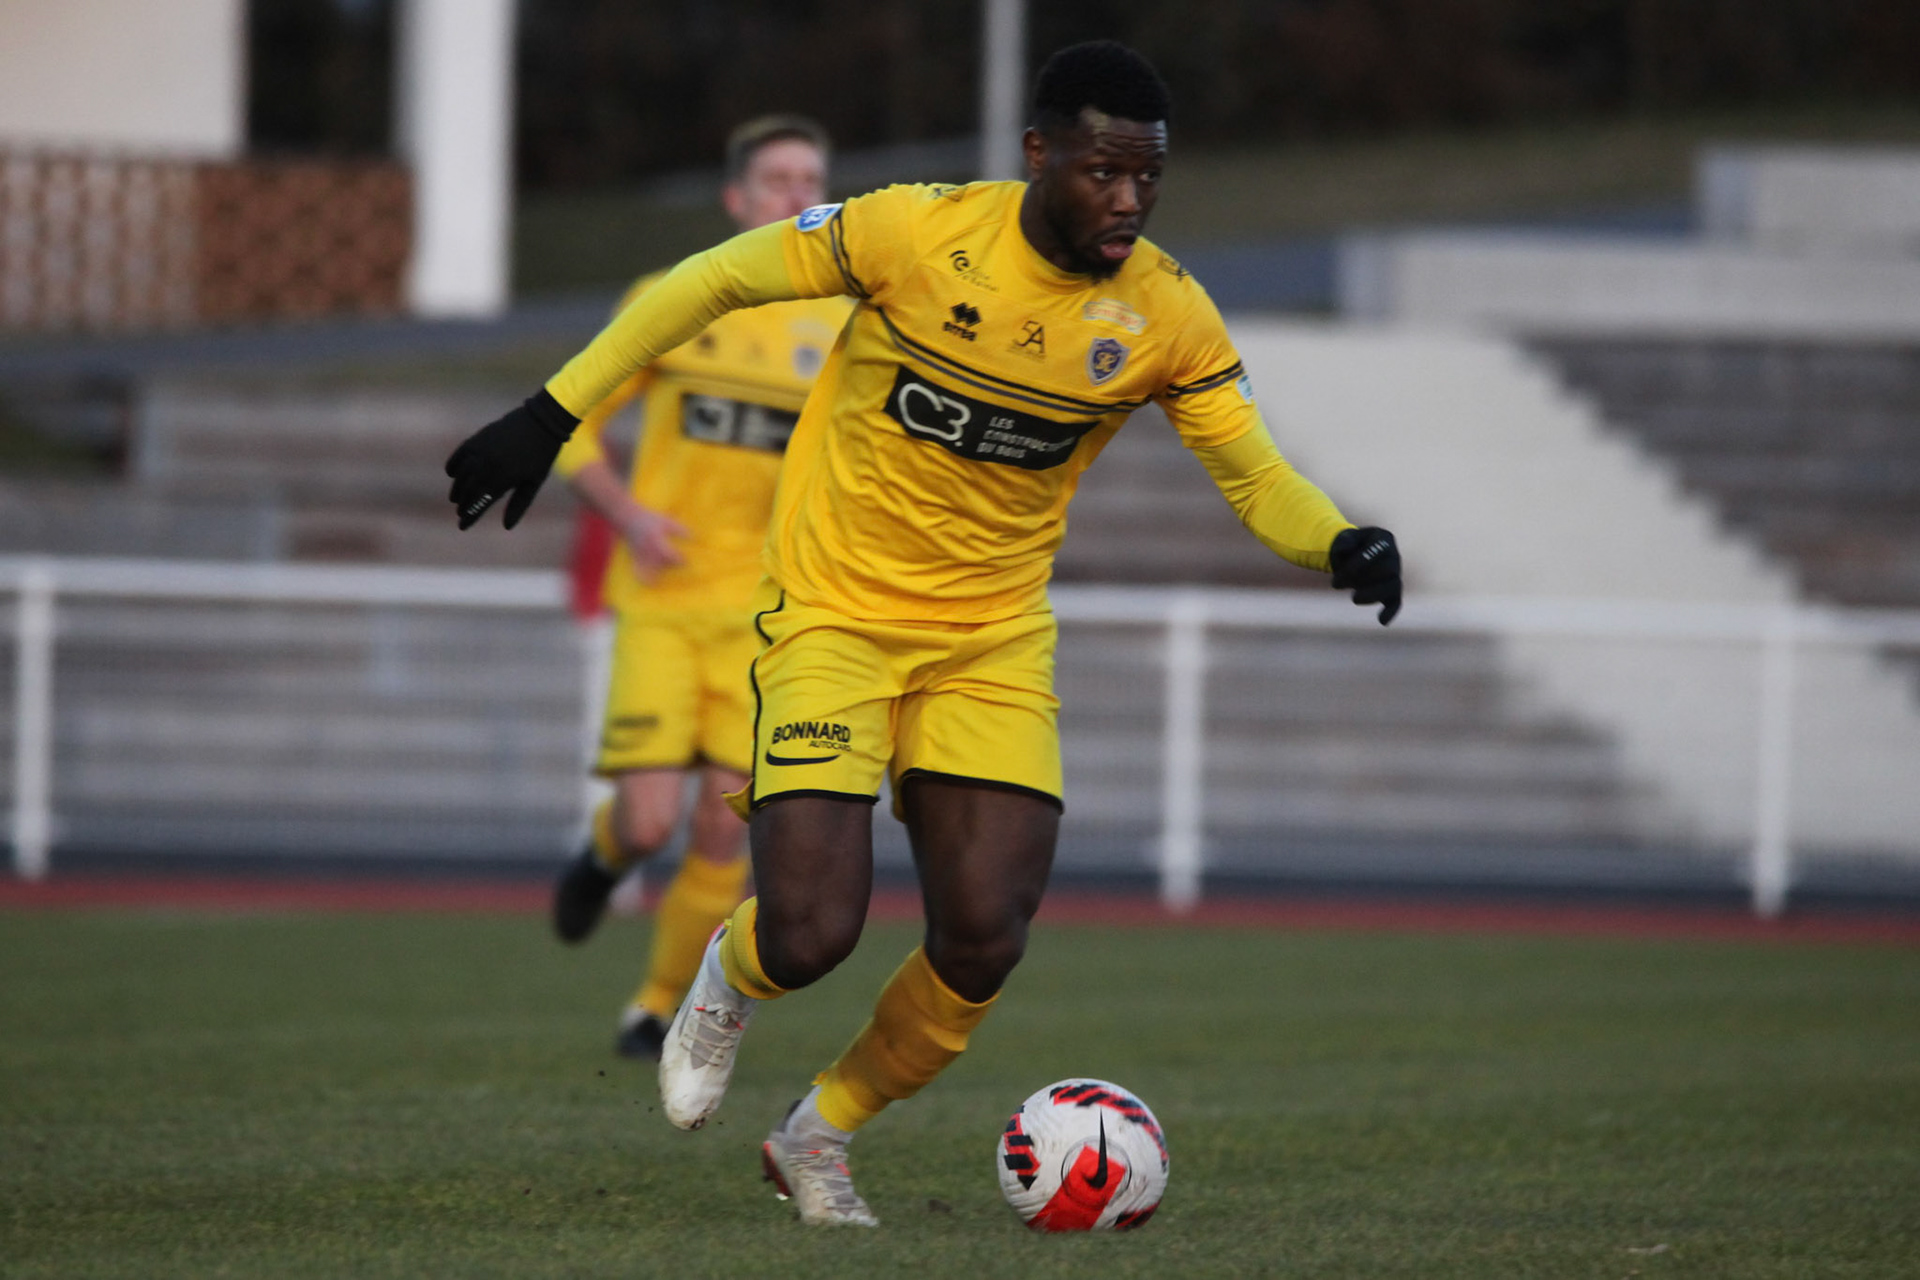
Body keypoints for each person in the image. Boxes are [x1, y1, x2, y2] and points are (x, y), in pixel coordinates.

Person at [446, 41, 1402, 1227]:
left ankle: (818, 1132)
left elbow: (1255, 474)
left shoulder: (1167, 315)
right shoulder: (911, 231)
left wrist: (1338, 540)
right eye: (1104, 172)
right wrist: (552, 412)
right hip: (834, 615)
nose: (1129, 199)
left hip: (990, 639)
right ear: (1038, 153)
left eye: (1149, 177)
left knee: (987, 931)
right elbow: (715, 279)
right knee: (811, 932)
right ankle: (726, 980)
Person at [546, 116, 852, 1061]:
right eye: (777, 179)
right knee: (648, 822)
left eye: (811, 179)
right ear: (736, 199)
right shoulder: (673, 297)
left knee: (722, 837)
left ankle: (653, 1009)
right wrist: (629, 516)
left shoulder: (846, 325)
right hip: (665, 601)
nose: (796, 194)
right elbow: (569, 420)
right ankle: (603, 857)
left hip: (767, 620)